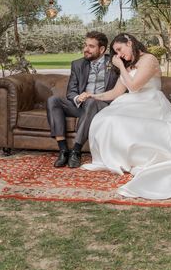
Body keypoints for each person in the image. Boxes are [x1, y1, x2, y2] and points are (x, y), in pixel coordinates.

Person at [80, 33, 171, 199]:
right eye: (116, 52)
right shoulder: (129, 66)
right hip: (130, 103)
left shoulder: (149, 59)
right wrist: (92, 95)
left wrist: (120, 66)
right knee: (104, 118)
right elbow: (116, 92)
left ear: (129, 42)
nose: (119, 55)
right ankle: (122, 160)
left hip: (150, 103)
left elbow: (135, 87)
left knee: (115, 120)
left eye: (120, 49)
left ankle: (141, 158)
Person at [46, 31, 119, 168]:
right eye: (85, 45)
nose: (86, 49)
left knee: (91, 101)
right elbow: (71, 91)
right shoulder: (78, 64)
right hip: (83, 107)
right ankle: (63, 150)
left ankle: (76, 151)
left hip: (103, 106)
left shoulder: (114, 63)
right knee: (53, 100)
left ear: (102, 49)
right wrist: (78, 97)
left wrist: (92, 97)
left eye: (91, 46)